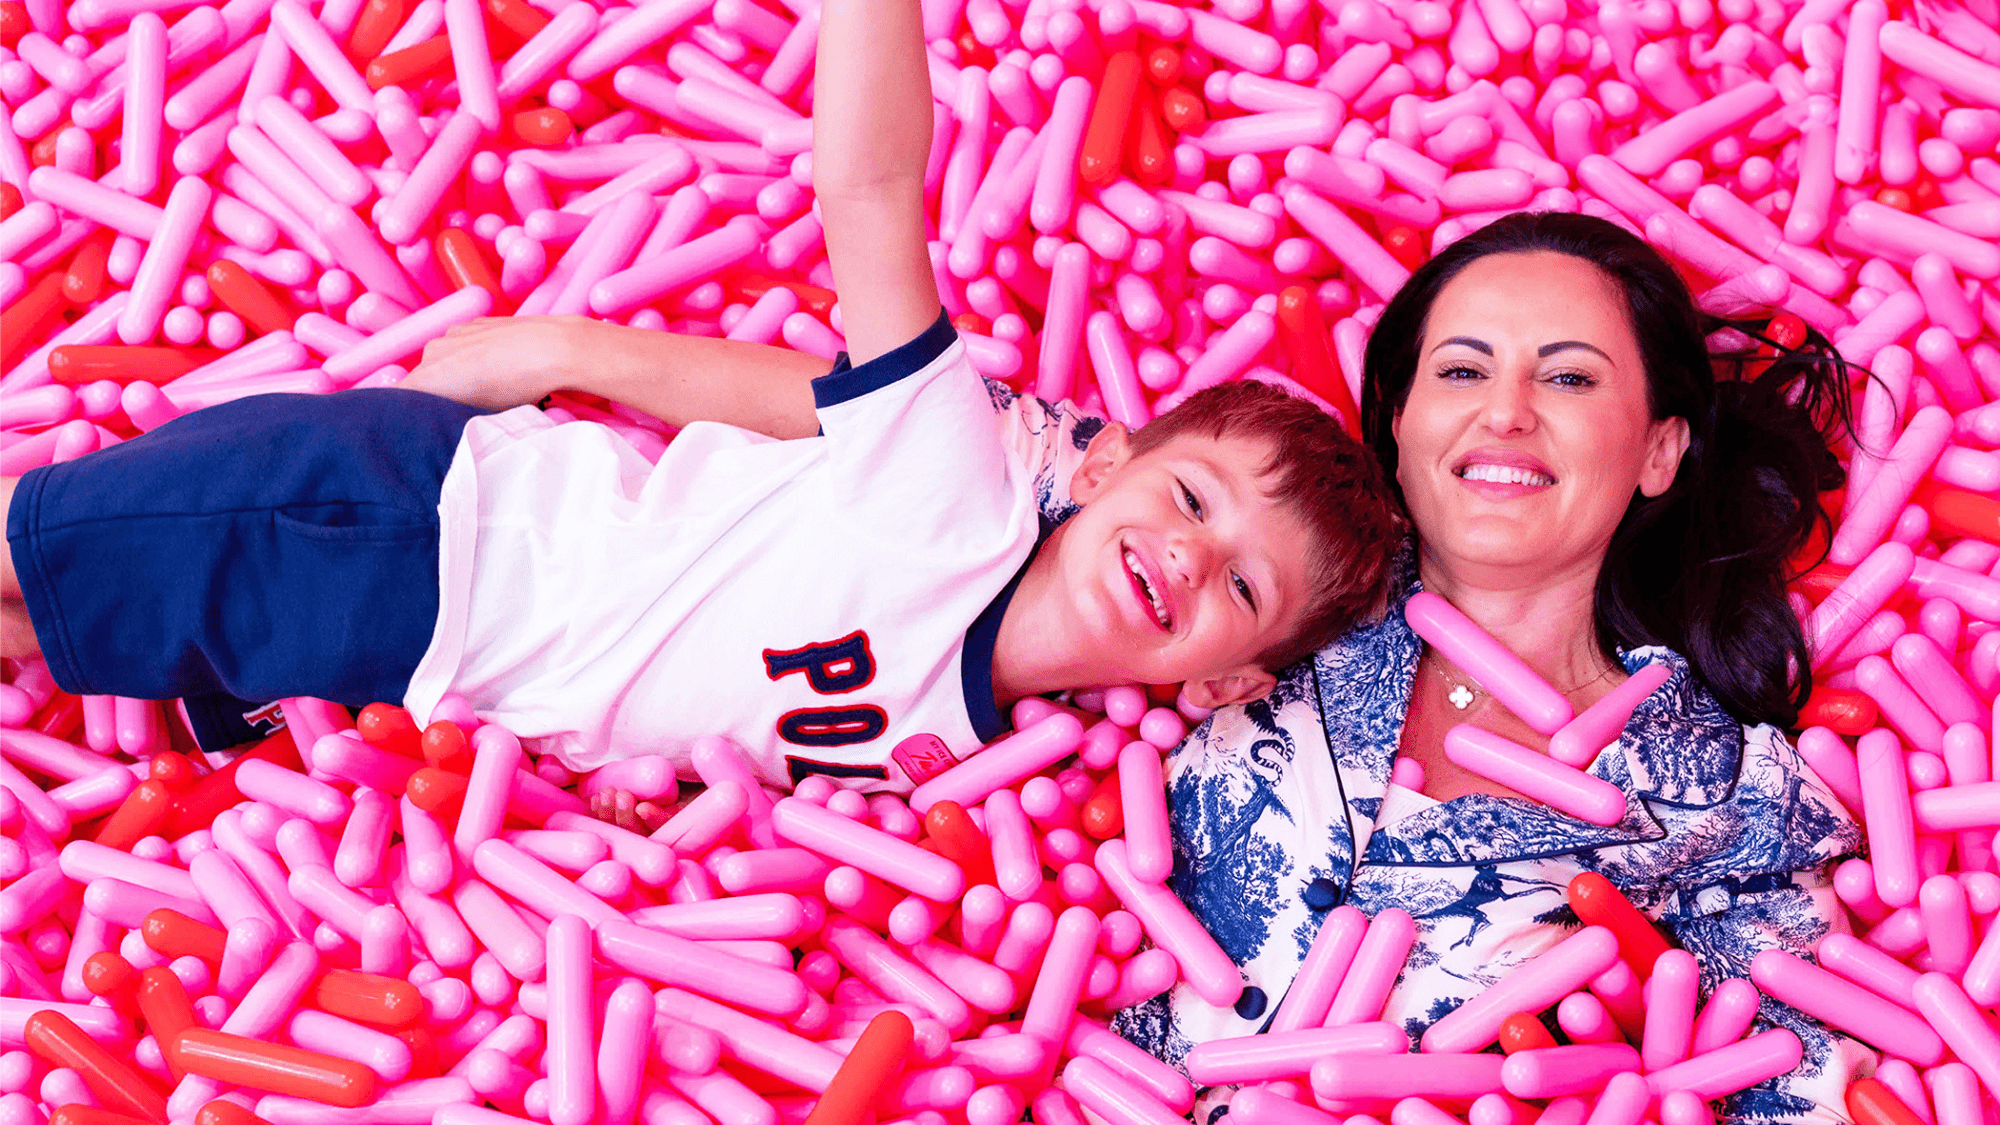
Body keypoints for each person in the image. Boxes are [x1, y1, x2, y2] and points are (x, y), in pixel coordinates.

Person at [0, 0, 1399, 801]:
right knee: (34, 553)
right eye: (1193, 498)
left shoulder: (960, 750)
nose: (1194, 555)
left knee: (41, 623)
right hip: (418, 530)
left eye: (1242, 587)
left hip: (418, 669)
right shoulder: (960, 491)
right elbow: (866, 196)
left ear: (1222, 679)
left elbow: (733, 711)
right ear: (1102, 470)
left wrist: (640, 785)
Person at [1107, 211, 1871, 1122]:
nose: (1506, 410)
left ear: (1658, 450)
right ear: (1396, 417)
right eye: (1464, 369)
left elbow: (1799, 1083)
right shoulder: (1256, 566)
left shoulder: (1724, 802)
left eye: (1570, 377)